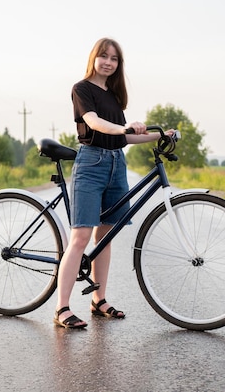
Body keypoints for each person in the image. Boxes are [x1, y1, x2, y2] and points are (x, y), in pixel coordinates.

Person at [54, 38, 171, 328]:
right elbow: (93, 122)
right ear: (94, 58)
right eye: (104, 56)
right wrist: (122, 127)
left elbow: (125, 137)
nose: (108, 62)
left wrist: (160, 134)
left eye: (114, 59)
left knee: (105, 237)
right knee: (80, 238)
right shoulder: (82, 89)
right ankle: (62, 308)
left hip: (117, 164)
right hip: (91, 164)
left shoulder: (115, 98)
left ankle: (98, 300)